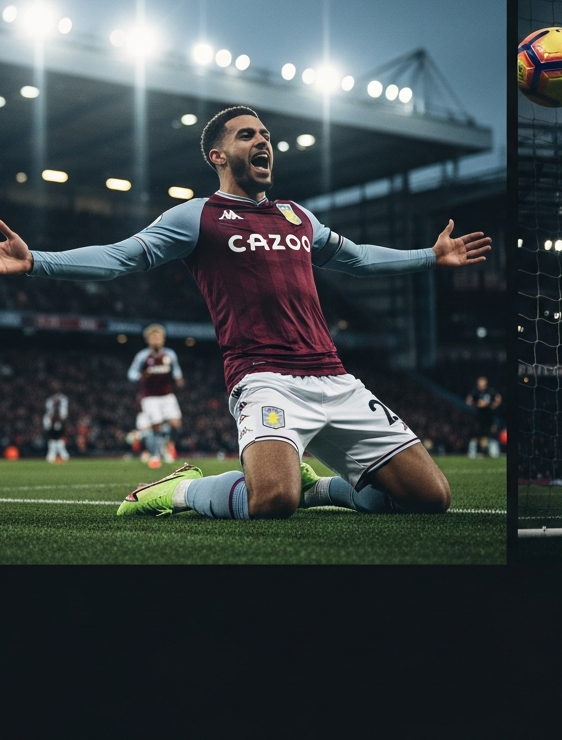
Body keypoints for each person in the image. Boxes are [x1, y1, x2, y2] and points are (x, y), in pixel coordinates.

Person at [0, 106, 491, 520]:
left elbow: (359, 258)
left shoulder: (297, 216)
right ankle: (178, 489)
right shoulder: (196, 215)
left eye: (266, 136)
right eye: (247, 135)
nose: (263, 142)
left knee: (430, 499)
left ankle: (317, 488)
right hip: (263, 376)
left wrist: (431, 256)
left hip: (334, 377)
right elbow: (120, 257)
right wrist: (35, 262)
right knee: (273, 502)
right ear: (218, 155)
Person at [127, 323, 184, 469]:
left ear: (163, 339)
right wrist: (141, 375)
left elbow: (176, 369)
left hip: (167, 395)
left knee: (176, 423)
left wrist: (178, 378)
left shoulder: (170, 354)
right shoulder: (142, 356)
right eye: (153, 337)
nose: (156, 339)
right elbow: (131, 374)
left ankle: (165, 444)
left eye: (158, 337)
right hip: (150, 397)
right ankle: (154, 456)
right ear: (148, 340)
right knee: (156, 426)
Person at [465, 375, 502, 457]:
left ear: (486, 384)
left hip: (489, 416)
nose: (481, 386)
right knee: (478, 433)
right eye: (479, 384)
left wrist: (493, 405)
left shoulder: (490, 391)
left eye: (482, 384)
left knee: (490, 433)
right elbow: (468, 400)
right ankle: (476, 451)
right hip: (479, 416)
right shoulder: (475, 392)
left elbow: (498, 398)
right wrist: (476, 404)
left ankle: (493, 452)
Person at [42, 385, 70, 464]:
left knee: (58, 437)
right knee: (52, 438)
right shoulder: (50, 400)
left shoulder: (63, 400)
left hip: (59, 420)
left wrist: (61, 419)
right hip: (53, 420)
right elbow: (48, 412)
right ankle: (54, 454)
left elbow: (64, 413)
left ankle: (63, 455)